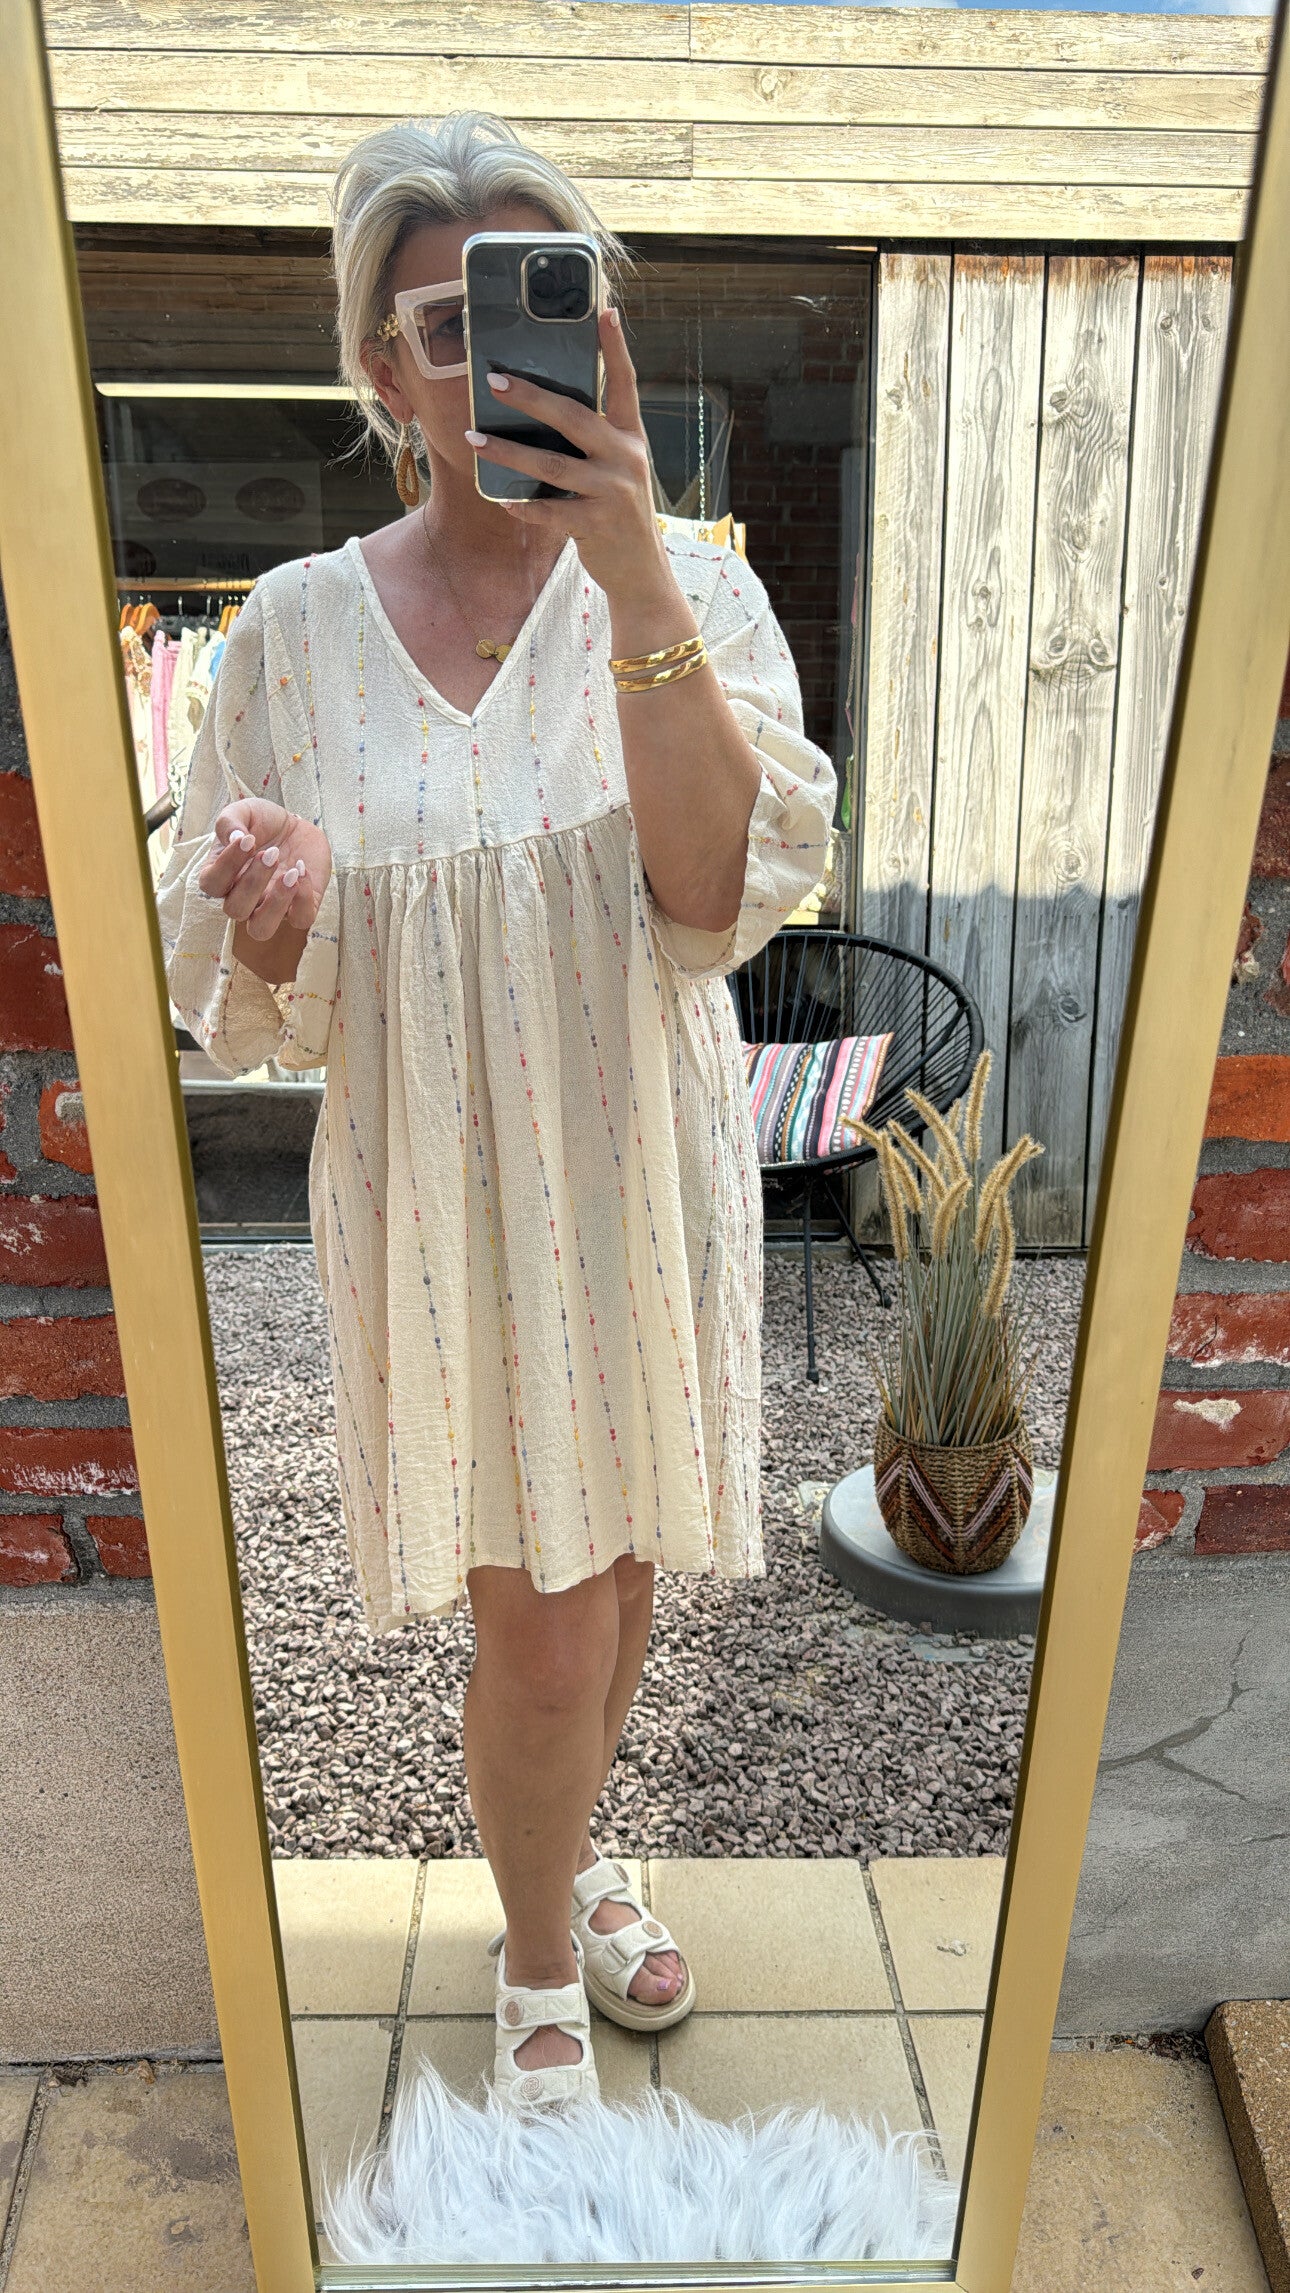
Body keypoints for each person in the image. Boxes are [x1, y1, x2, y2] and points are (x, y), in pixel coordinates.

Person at [157, 111, 836, 2112]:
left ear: (602, 327)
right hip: (445, 1193)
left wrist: (627, 563)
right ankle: (538, 1952)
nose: (490, 355)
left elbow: (708, 898)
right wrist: (286, 912)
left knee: (617, 1580)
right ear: (380, 368)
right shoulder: (290, 631)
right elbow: (249, 997)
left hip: (640, 1159)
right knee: (535, 1630)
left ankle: (572, 1850)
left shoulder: (694, 590)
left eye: (538, 303)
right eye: (442, 324)